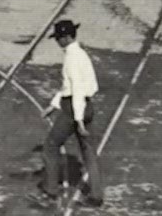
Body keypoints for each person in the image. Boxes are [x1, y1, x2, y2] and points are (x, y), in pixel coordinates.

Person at [36, 19, 103, 207]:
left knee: (50, 145)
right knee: (89, 152)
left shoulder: (71, 59)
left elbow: (76, 90)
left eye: (58, 38)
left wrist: (79, 120)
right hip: (87, 105)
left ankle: (50, 191)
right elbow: (81, 87)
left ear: (65, 38)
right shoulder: (81, 54)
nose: (57, 42)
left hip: (74, 109)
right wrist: (53, 105)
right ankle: (97, 195)